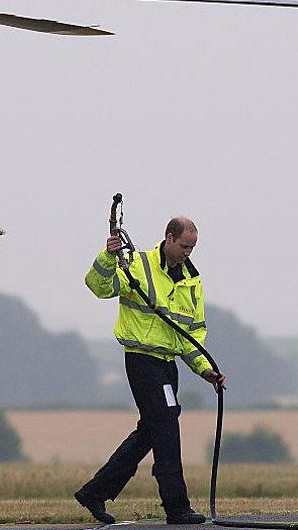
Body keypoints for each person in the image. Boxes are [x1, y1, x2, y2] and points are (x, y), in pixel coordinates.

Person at [74, 217, 226, 525]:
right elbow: (98, 286)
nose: (188, 253)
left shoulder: (192, 282)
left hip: (168, 365)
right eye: (184, 246)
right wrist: (107, 255)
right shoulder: (137, 264)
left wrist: (205, 370)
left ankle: (95, 491)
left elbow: (192, 334)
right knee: (167, 426)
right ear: (169, 238)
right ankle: (177, 507)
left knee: (151, 431)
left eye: (193, 248)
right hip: (142, 361)